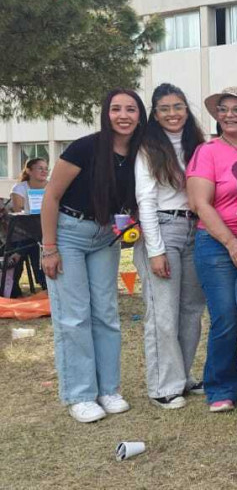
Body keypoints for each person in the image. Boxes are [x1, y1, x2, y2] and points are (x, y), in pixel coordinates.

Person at [40, 88, 146, 423]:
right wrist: (49, 247)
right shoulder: (85, 147)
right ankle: (81, 394)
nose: (123, 115)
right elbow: (51, 197)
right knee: (74, 316)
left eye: (131, 109)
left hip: (105, 238)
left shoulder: (141, 152)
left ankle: (109, 389)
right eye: (116, 109)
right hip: (68, 234)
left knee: (106, 315)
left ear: (140, 115)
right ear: (106, 113)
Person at [186, 86, 237, 412]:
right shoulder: (207, 152)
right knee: (227, 317)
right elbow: (200, 204)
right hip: (217, 243)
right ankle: (221, 385)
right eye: (224, 109)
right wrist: (232, 242)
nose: (230, 115)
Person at [132, 84, 207, 409]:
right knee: (163, 312)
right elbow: (145, 199)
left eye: (178, 106)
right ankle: (164, 386)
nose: (173, 113)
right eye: (165, 108)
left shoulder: (197, 145)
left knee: (191, 310)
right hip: (163, 228)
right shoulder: (148, 147)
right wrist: (155, 250)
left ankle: (183, 375)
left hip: (196, 227)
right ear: (155, 113)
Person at [8, 157, 49, 292]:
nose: (44, 171)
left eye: (46, 168)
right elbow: (18, 211)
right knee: (35, 240)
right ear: (29, 171)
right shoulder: (20, 187)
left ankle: (18, 253)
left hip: (44, 229)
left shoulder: (51, 186)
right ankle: (43, 283)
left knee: (37, 241)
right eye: (40, 168)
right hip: (23, 229)